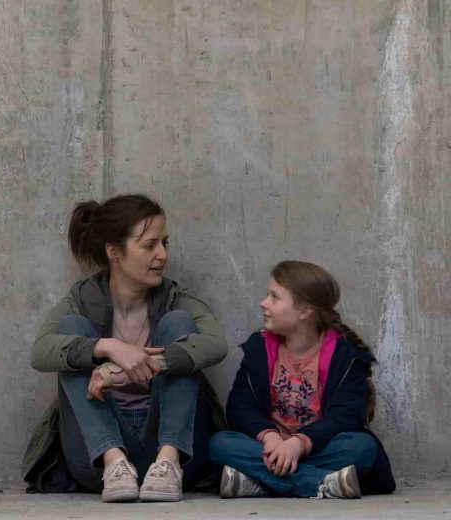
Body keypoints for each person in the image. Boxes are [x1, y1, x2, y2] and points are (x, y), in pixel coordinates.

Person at [22, 194, 228, 502]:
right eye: (149, 245)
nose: (162, 255)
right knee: (72, 332)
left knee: (179, 324)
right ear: (114, 252)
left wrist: (130, 369)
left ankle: (168, 462)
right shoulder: (82, 299)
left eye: (164, 243)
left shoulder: (174, 297)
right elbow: (41, 352)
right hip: (98, 461)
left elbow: (215, 344)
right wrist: (108, 347)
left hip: (173, 453)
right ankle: (114, 461)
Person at [210, 260, 396, 498]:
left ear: (305, 311)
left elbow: (346, 415)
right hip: (269, 448)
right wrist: (270, 438)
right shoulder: (259, 347)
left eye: (275, 297)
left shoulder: (343, 353)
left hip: (318, 448)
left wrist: (299, 443)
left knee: (361, 447)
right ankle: (319, 483)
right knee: (221, 443)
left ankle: (260, 482)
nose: (263, 303)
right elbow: (240, 408)